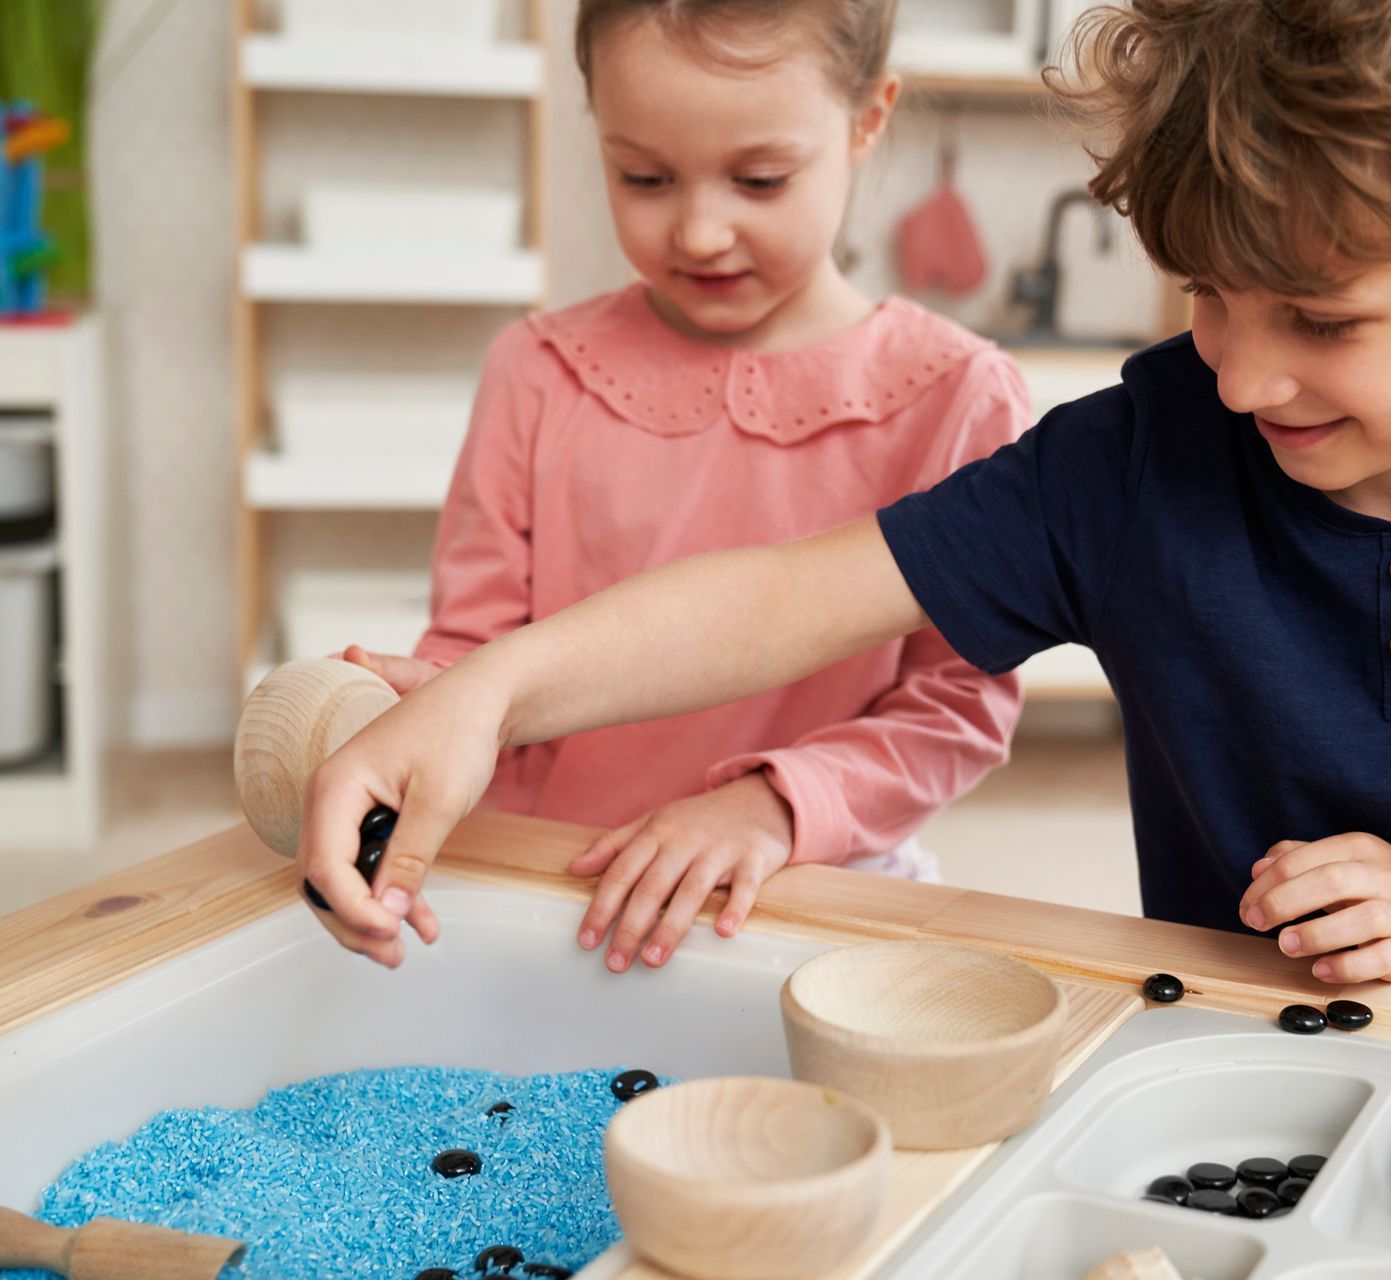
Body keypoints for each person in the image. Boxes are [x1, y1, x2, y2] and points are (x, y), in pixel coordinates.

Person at [303, 0, 1391, 1002]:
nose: (1243, 379)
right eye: (1208, 297)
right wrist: (490, 690)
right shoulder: (1144, 452)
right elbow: (793, 592)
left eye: (1317, 322)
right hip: (1216, 1044)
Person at [334, 0, 1028, 973]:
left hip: (804, 891)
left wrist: (772, 805)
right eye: (644, 176)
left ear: (869, 118)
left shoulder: (956, 398)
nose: (700, 231)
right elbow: (475, 652)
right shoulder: (537, 372)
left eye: (760, 178)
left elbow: (955, 706)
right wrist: (408, 716)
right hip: (558, 891)